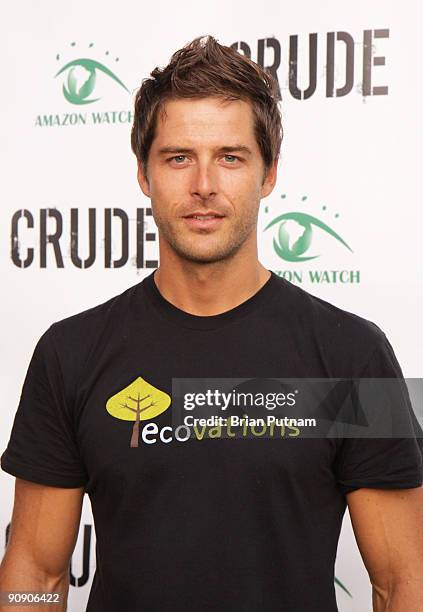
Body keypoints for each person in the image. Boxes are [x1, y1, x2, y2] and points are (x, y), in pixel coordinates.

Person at [0, 34, 422, 612]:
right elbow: (36, 575)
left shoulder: (352, 355)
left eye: (230, 156)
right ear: (144, 175)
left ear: (268, 173)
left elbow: (403, 584)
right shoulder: (70, 353)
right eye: (178, 158)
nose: (204, 185)